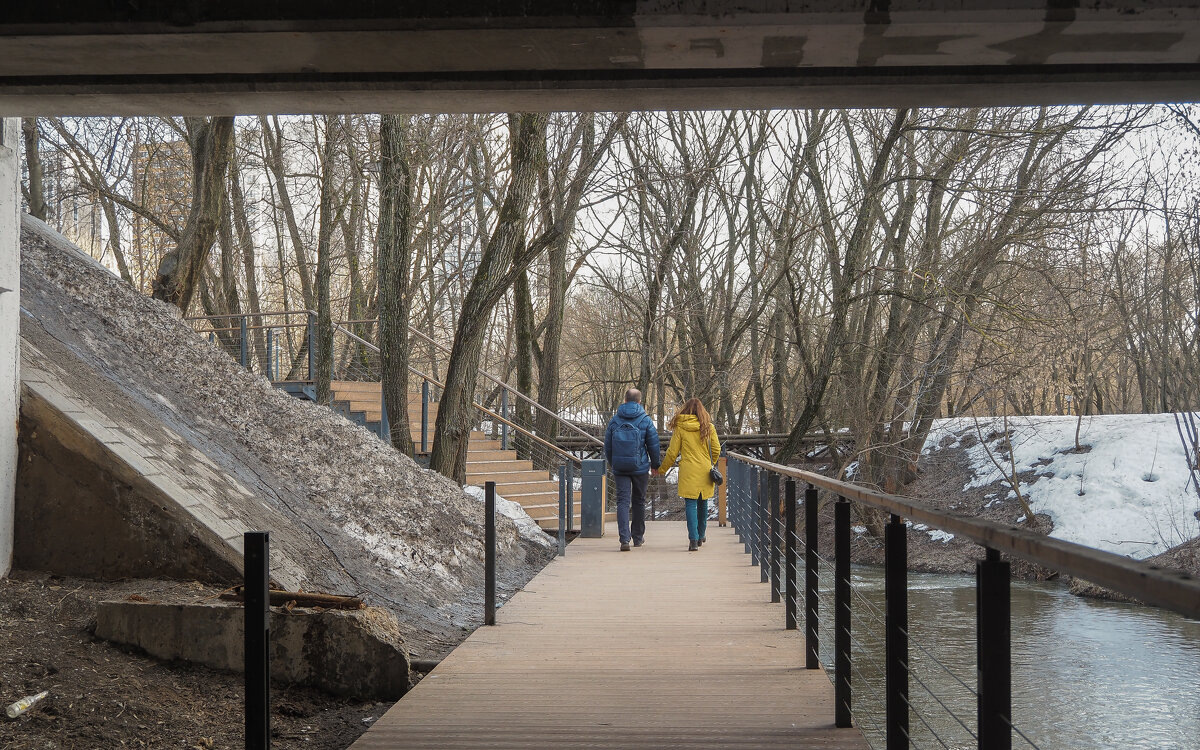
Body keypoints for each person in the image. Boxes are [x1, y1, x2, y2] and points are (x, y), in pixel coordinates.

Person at [656, 398, 721, 552]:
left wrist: (662, 469)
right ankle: (701, 535)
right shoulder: (708, 427)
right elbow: (717, 449)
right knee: (703, 502)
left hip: (688, 470)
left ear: (685, 410)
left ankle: (693, 539)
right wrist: (710, 463)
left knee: (691, 504)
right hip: (705, 470)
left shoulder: (680, 428)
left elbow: (672, 452)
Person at [604, 388, 661, 552]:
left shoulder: (614, 420)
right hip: (640, 467)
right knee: (639, 501)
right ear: (639, 401)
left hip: (620, 467)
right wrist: (655, 464)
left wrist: (613, 462)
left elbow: (608, 446)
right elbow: (653, 445)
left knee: (622, 501)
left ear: (624, 400)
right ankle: (637, 537)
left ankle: (624, 539)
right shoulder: (645, 420)